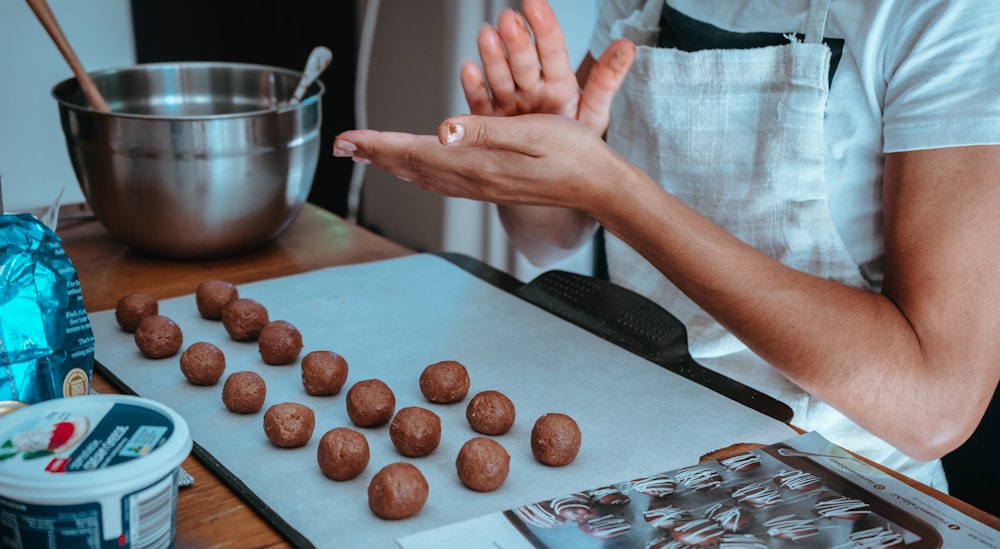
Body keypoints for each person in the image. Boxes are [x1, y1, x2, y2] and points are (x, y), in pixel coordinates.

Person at [334, 0, 1000, 492]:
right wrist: (535, 161)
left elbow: (933, 400)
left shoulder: (947, 15)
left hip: (847, 489)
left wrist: (615, 191)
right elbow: (551, 236)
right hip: (633, 450)